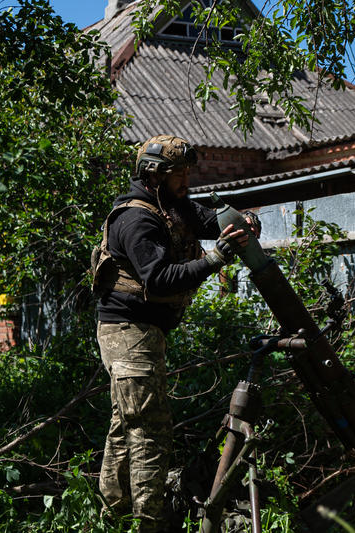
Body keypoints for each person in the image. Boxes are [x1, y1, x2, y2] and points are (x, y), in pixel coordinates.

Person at [92, 134, 261, 532]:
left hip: (143, 332)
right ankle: (147, 524)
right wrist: (216, 258)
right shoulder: (137, 219)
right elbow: (160, 279)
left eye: (187, 172)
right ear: (153, 175)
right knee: (149, 432)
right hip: (128, 333)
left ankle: (112, 518)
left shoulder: (171, 205)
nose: (186, 181)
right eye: (177, 174)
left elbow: (210, 221)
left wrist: (243, 221)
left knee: (125, 426)